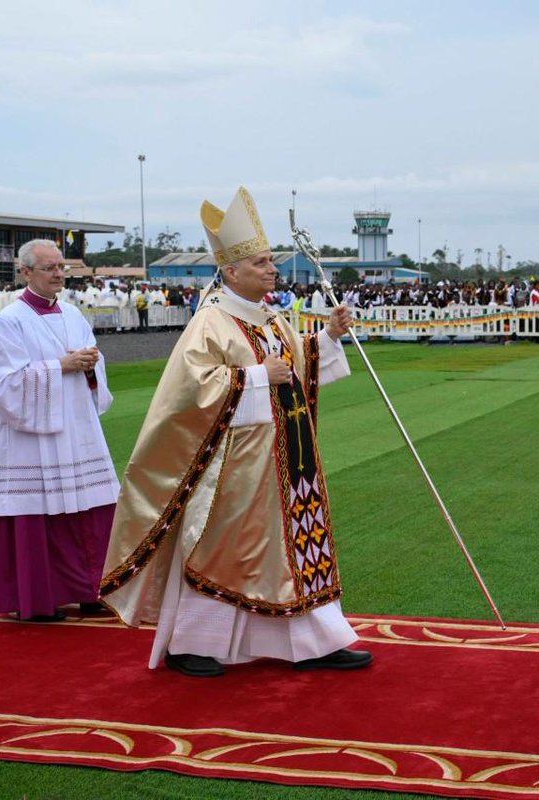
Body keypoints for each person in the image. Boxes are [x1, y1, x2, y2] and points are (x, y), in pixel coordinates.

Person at [100, 187, 369, 678]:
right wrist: (256, 376)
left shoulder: (268, 317)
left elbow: (295, 363)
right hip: (234, 469)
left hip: (288, 458)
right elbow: (189, 393)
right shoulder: (210, 323)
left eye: (271, 262)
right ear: (231, 271)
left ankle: (316, 639)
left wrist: (326, 336)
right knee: (226, 551)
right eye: (262, 263)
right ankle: (191, 642)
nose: (272, 270)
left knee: (295, 547)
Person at [0, 239, 118, 622]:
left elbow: (93, 368)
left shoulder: (73, 314)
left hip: (78, 428)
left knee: (91, 507)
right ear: (25, 272)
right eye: (49, 268)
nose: (58, 274)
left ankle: (93, 591)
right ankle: (40, 597)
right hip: (32, 437)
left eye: (61, 268)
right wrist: (60, 366)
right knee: (40, 513)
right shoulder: (9, 321)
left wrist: (90, 366)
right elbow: (4, 387)